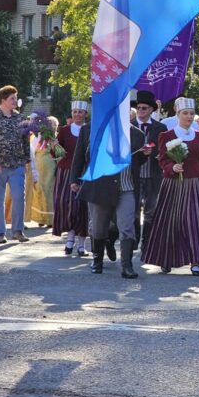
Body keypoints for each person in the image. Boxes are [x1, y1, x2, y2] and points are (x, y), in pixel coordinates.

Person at [142, 97, 199, 276]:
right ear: (178, 114)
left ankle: (196, 261)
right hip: (173, 183)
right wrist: (172, 167)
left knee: (196, 221)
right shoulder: (167, 135)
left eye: (192, 113)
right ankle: (166, 259)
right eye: (185, 113)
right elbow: (162, 160)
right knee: (171, 221)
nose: (189, 117)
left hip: (195, 183)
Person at [70, 118, 146, 278]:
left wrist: (145, 154)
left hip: (127, 187)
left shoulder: (137, 133)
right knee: (99, 226)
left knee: (127, 226)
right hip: (100, 186)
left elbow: (138, 161)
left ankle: (126, 266)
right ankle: (97, 260)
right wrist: (74, 180)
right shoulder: (90, 129)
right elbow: (81, 156)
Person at [0, 85, 32, 244]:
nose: (15, 101)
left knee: (19, 197)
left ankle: (17, 231)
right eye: (12, 98)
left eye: (16, 98)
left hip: (16, 165)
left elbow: (25, 140)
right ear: (3, 100)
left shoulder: (20, 118)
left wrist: (26, 160)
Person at [132, 91, 168, 254]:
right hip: (134, 175)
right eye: (138, 107)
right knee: (133, 210)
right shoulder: (129, 125)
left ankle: (146, 242)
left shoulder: (161, 128)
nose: (140, 110)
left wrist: (160, 155)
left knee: (151, 211)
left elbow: (165, 149)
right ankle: (133, 240)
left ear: (151, 110)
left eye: (144, 108)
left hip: (154, 175)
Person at [54, 100, 90, 255]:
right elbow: (56, 153)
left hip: (85, 172)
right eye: (75, 112)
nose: (77, 115)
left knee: (83, 207)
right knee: (66, 204)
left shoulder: (90, 129)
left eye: (80, 112)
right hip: (66, 172)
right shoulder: (64, 130)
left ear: (85, 114)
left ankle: (81, 243)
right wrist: (54, 146)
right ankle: (70, 236)